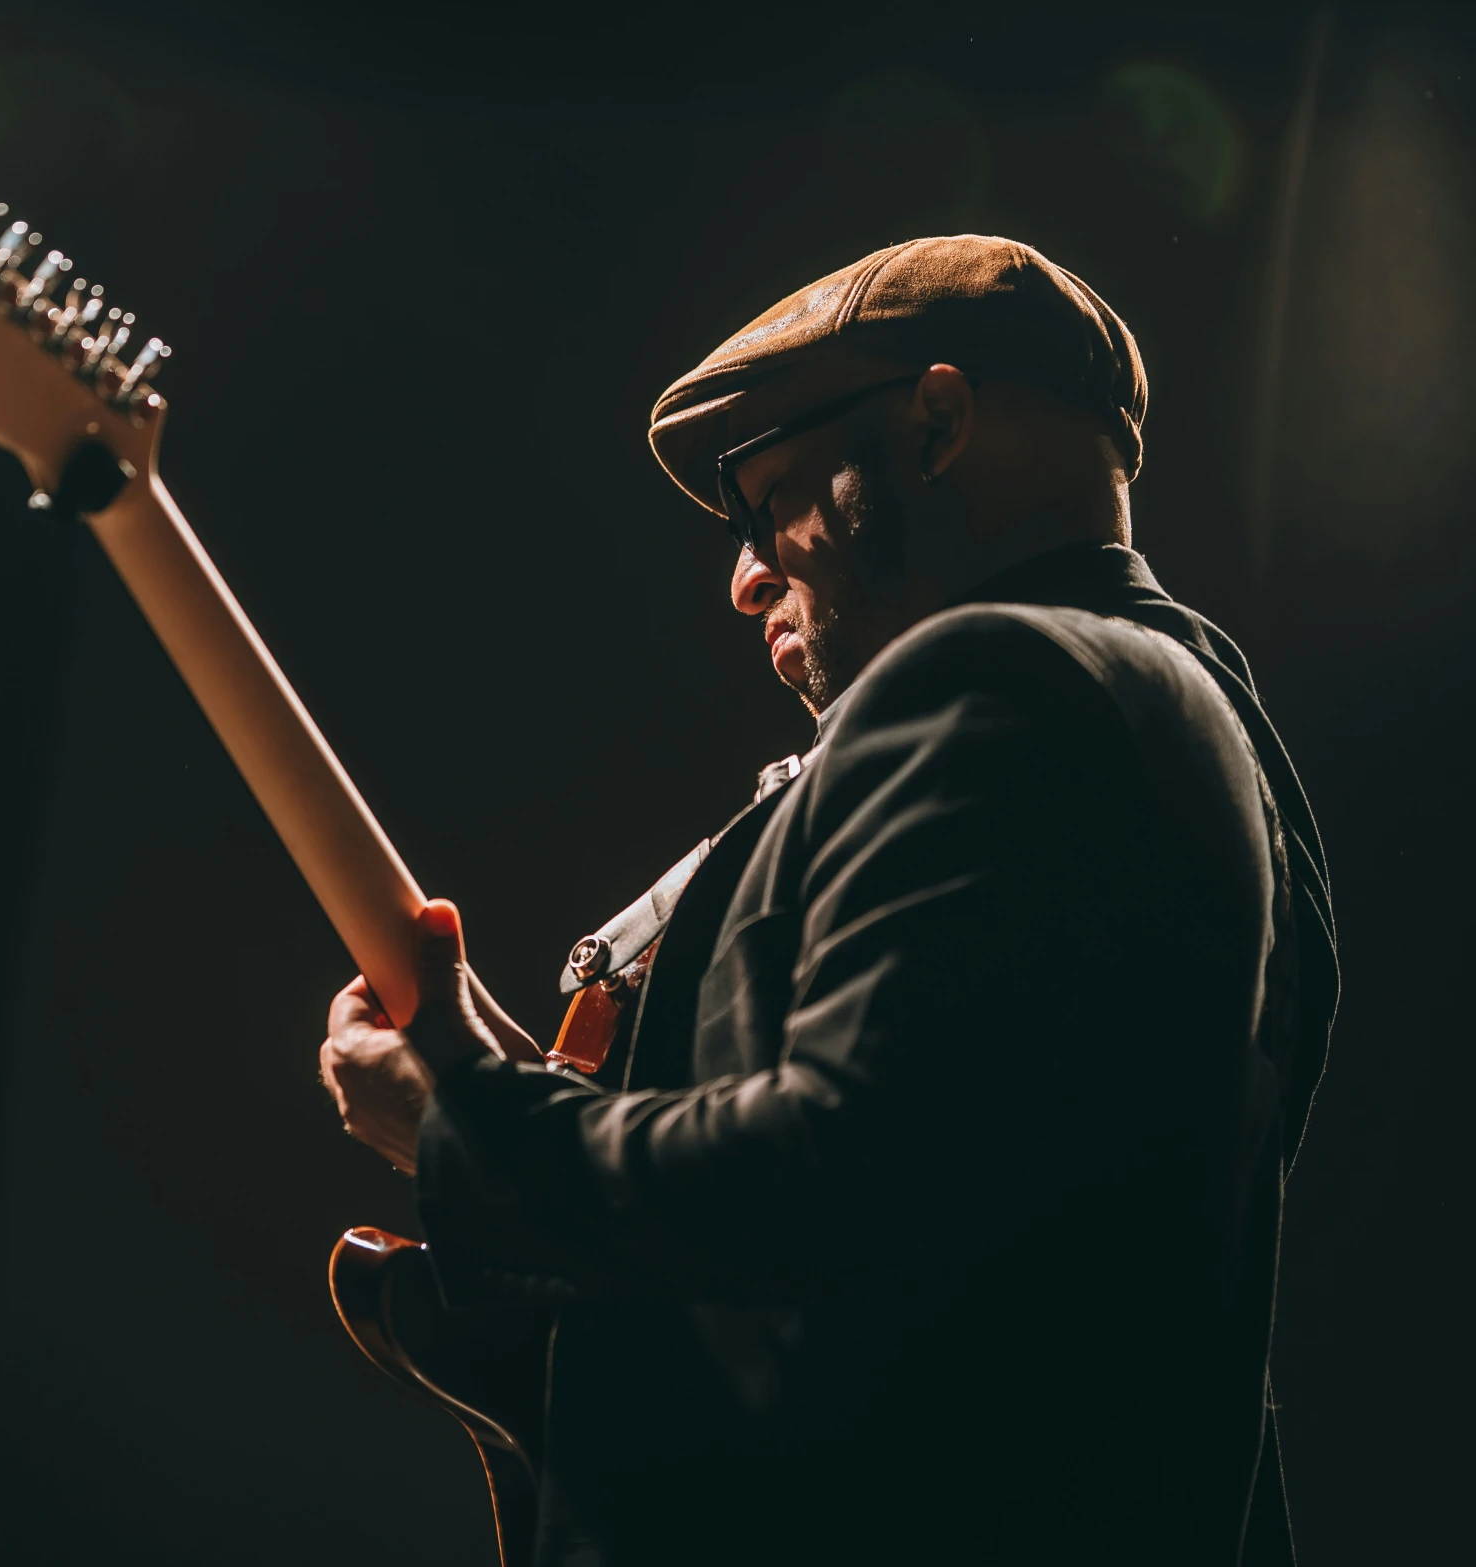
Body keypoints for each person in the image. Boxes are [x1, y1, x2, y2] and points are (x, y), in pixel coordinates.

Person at [317, 236, 1335, 1566]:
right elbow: (945, 1211)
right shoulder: (1194, 736)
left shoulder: (997, 678)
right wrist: (542, 1121)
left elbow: (824, 1179)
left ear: (935, 423)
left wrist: (476, 1130)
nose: (742, 576)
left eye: (766, 500)